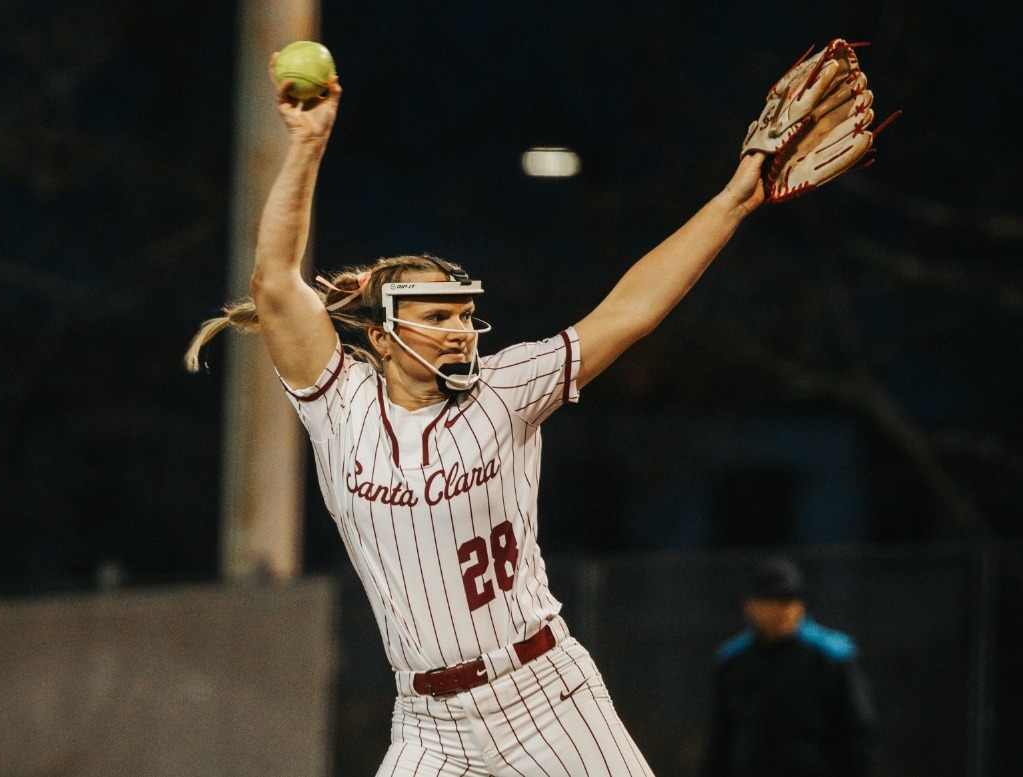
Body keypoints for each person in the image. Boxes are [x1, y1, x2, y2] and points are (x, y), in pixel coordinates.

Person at [186, 51, 766, 777]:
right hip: (429, 723)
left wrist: (733, 199)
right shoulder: (338, 407)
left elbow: (630, 310)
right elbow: (274, 282)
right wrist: (305, 144)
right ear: (381, 334)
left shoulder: (506, 387)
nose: (461, 329)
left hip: (545, 697)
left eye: (465, 314)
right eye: (438, 315)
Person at [702, 556, 878, 777]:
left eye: (790, 600)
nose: (784, 608)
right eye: (774, 600)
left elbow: (856, 735)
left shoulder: (831, 656)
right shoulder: (733, 661)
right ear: (750, 606)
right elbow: (721, 739)